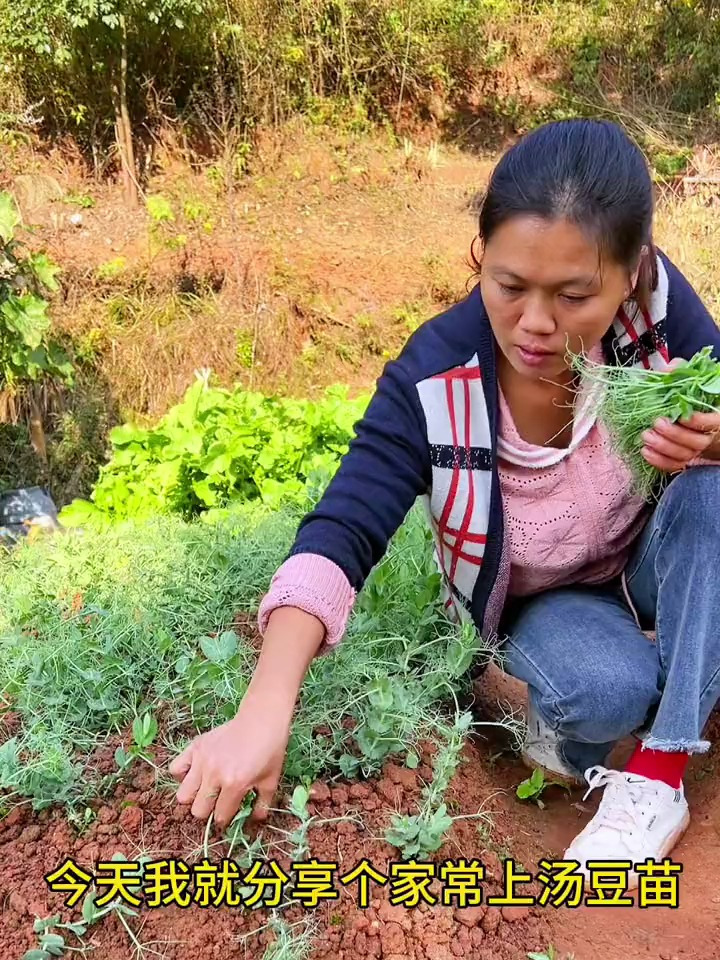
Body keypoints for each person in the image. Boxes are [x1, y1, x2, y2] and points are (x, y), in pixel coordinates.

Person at [169, 118, 720, 888]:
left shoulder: (659, 319)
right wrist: (266, 706)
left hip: (649, 558)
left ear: (632, 273)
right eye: (509, 284)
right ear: (480, 259)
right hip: (552, 598)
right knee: (609, 693)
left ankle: (662, 773)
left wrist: (712, 441)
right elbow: (343, 528)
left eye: (573, 295)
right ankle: (639, 687)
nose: (535, 323)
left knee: (714, 493)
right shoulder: (434, 381)